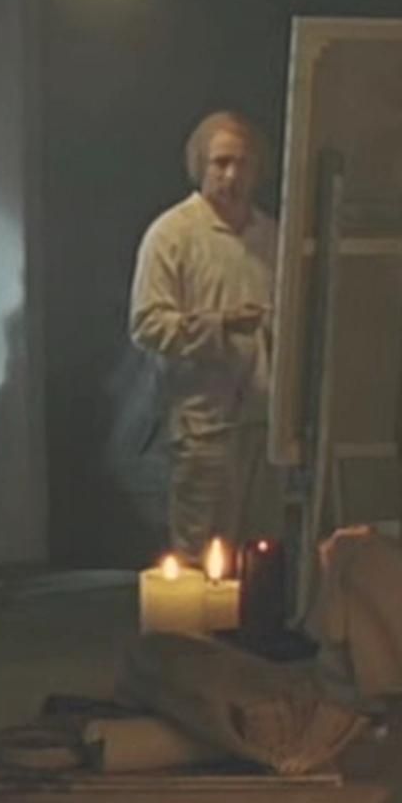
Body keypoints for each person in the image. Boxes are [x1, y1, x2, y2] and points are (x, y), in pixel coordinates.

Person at [128, 110, 282, 560]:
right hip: (203, 427)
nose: (232, 175)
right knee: (202, 557)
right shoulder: (173, 234)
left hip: (263, 426)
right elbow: (147, 323)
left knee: (260, 556)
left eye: (243, 163)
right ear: (200, 164)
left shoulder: (271, 236)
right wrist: (219, 327)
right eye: (221, 162)